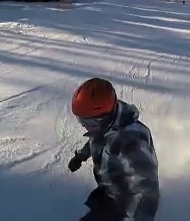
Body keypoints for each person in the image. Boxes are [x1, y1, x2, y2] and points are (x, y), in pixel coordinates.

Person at [68, 77, 160, 221]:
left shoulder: (130, 141)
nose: (84, 125)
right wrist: (80, 156)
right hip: (109, 193)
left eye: (88, 121)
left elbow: (145, 191)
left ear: (103, 116)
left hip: (124, 205)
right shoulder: (105, 126)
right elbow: (95, 141)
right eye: (81, 120)